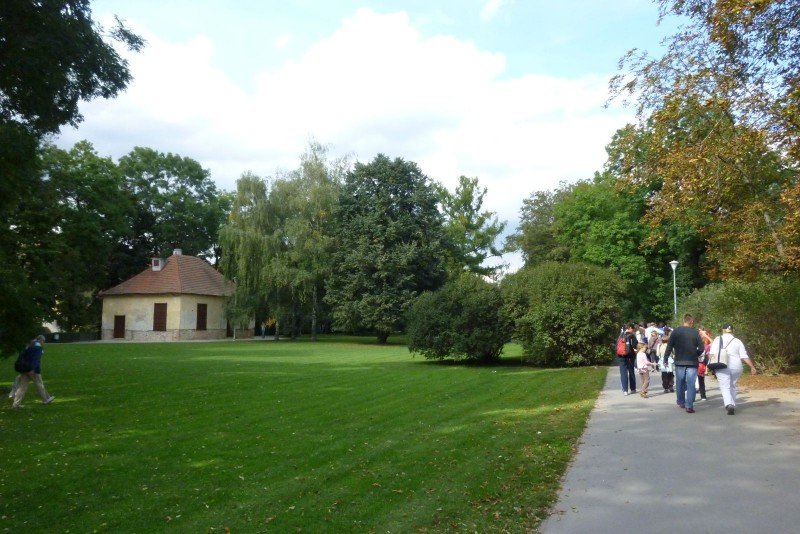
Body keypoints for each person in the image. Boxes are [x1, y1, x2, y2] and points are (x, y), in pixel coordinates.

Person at [709, 324, 757, 415]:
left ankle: (729, 404)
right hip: (736, 366)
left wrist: (710, 364)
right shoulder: (738, 341)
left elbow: (711, 354)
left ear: (723, 330)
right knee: (733, 385)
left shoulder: (717, 339)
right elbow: (744, 356)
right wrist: (752, 366)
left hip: (722, 365)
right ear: (732, 331)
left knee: (725, 386)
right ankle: (733, 404)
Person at [663, 314, 705, 413]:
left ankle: (681, 401)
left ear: (683, 320)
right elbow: (702, 348)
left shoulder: (675, 332)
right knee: (691, 384)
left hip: (679, 361)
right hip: (692, 362)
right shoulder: (695, 333)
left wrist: (665, 358)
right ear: (691, 321)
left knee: (680, 382)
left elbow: (669, 346)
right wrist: (696, 354)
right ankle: (689, 406)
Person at [12, 335, 54, 408]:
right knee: (39, 384)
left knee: (22, 387)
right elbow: (35, 360)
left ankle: (16, 404)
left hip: (24, 369)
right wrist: (32, 369)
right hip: (33, 370)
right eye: (44, 341)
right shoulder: (38, 348)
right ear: (41, 341)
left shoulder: (29, 347)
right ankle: (45, 399)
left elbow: (22, 357)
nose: (44, 343)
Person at [618, 324, 638, 395]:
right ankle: (633, 388)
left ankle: (625, 390)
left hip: (621, 356)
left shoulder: (621, 335)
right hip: (629, 356)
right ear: (630, 328)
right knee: (631, 371)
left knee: (623, 373)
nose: (633, 330)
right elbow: (635, 344)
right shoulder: (631, 335)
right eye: (632, 329)